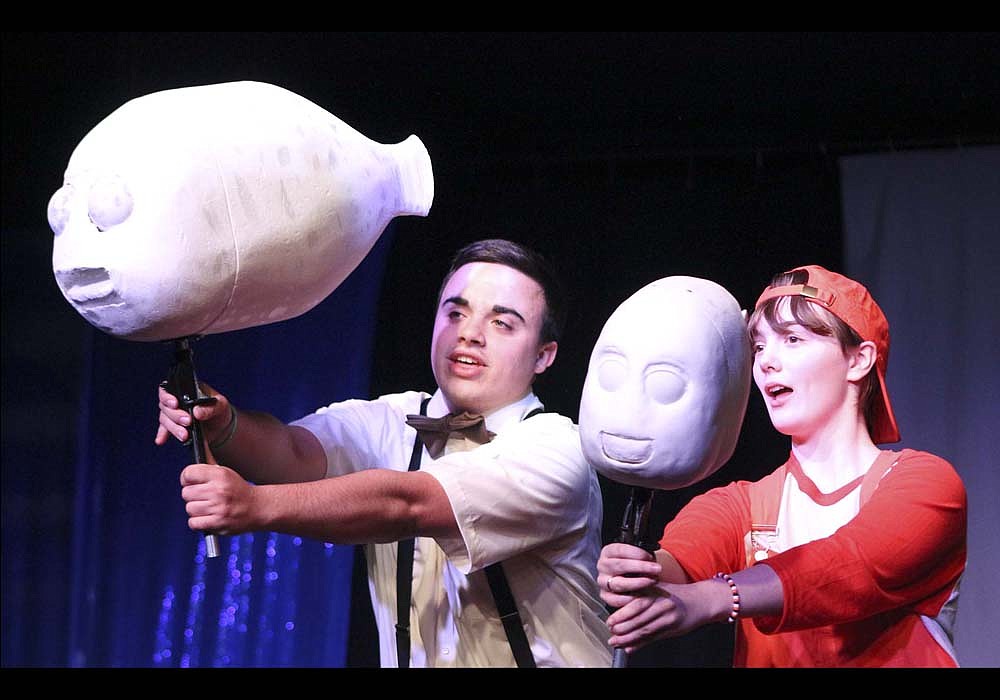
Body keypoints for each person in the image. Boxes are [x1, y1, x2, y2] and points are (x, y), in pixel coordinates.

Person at [155, 238, 611, 668]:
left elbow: (408, 504)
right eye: (455, 314)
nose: (469, 333)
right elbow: (290, 453)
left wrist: (255, 506)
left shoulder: (558, 448)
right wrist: (222, 422)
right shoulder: (394, 418)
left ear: (544, 356)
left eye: (501, 323)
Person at [596, 264, 966, 667]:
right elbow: (677, 568)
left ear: (859, 361)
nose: (767, 361)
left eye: (792, 339)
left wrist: (714, 597)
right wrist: (638, 574)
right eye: (759, 346)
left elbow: (851, 568)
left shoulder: (926, 484)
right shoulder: (740, 506)